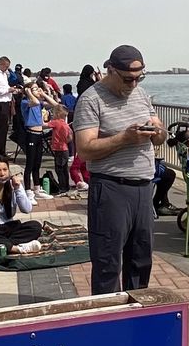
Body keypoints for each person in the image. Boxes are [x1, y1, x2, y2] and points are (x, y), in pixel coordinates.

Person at [74, 44, 166, 295]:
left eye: (139, 78)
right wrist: (124, 138)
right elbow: (84, 149)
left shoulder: (141, 94)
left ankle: (135, 318)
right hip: (111, 187)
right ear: (111, 70)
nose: (133, 84)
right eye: (128, 79)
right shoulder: (91, 99)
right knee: (108, 263)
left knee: (141, 260)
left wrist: (159, 131)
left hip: (144, 187)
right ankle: (107, 322)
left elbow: (159, 139)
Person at [18, 90, 51, 192]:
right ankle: (28, 190)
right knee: (30, 164)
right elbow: (35, 102)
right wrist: (28, 92)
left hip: (39, 135)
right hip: (31, 134)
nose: (38, 91)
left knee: (37, 163)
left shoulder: (39, 103)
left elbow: (54, 104)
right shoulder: (25, 102)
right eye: (35, 89)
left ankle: (37, 188)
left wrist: (45, 93)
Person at [47, 107, 73, 195]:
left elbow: (44, 125)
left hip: (59, 149)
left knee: (59, 169)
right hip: (65, 148)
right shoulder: (65, 125)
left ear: (57, 114)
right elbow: (70, 137)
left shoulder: (56, 122)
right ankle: (66, 186)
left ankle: (62, 187)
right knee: (64, 169)